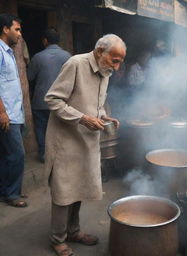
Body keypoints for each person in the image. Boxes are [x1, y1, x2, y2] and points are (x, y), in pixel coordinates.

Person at [44, 34, 126, 256]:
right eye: (114, 60)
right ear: (100, 51)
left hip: (86, 141)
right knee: (63, 191)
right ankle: (57, 239)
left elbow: (95, 105)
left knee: (80, 187)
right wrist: (83, 118)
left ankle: (74, 231)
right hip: (66, 140)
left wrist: (104, 116)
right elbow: (52, 99)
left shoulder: (105, 72)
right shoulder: (76, 64)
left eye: (120, 61)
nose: (117, 67)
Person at [27, 28, 71, 162]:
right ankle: (60, 154)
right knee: (61, 128)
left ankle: (44, 155)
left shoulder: (37, 57)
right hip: (61, 101)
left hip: (40, 101)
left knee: (41, 129)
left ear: (45, 41)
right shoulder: (68, 56)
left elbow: (29, 77)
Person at [0, 13, 27, 207]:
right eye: (16, 29)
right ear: (5, 29)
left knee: (7, 155)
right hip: (7, 114)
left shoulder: (8, 52)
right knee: (17, 155)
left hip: (14, 114)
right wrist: (2, 112)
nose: (19, 34)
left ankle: (7, 191)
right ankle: (12, 194)